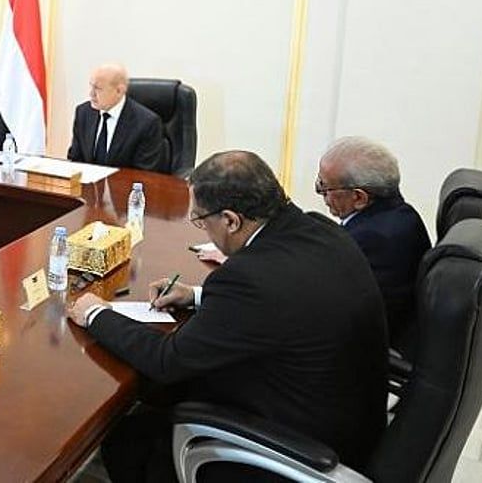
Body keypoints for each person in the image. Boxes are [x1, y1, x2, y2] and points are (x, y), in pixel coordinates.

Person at [69, 151, 387, 482]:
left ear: (231, 221)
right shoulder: (320, 230)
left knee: (128, 440)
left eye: (201, 221)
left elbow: (167, 361)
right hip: (351, 424)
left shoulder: (250, 277)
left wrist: (95, 313)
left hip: (299, 451)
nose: (204, 230)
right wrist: (196, 296)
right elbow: (287, 302)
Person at [317, 136, 431, 347]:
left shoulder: (370, 240)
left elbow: (327, 310)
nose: (321, 195)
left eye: (325, 188)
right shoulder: (402, 215)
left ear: (359, 198)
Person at [67, 63, 167, 172]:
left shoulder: (147, 123)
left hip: (124, 182)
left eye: (98, 88)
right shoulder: (83, 113)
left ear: (119, 91)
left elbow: (143, 173)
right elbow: (75, 159)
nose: (91, 94)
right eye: (91, 86)